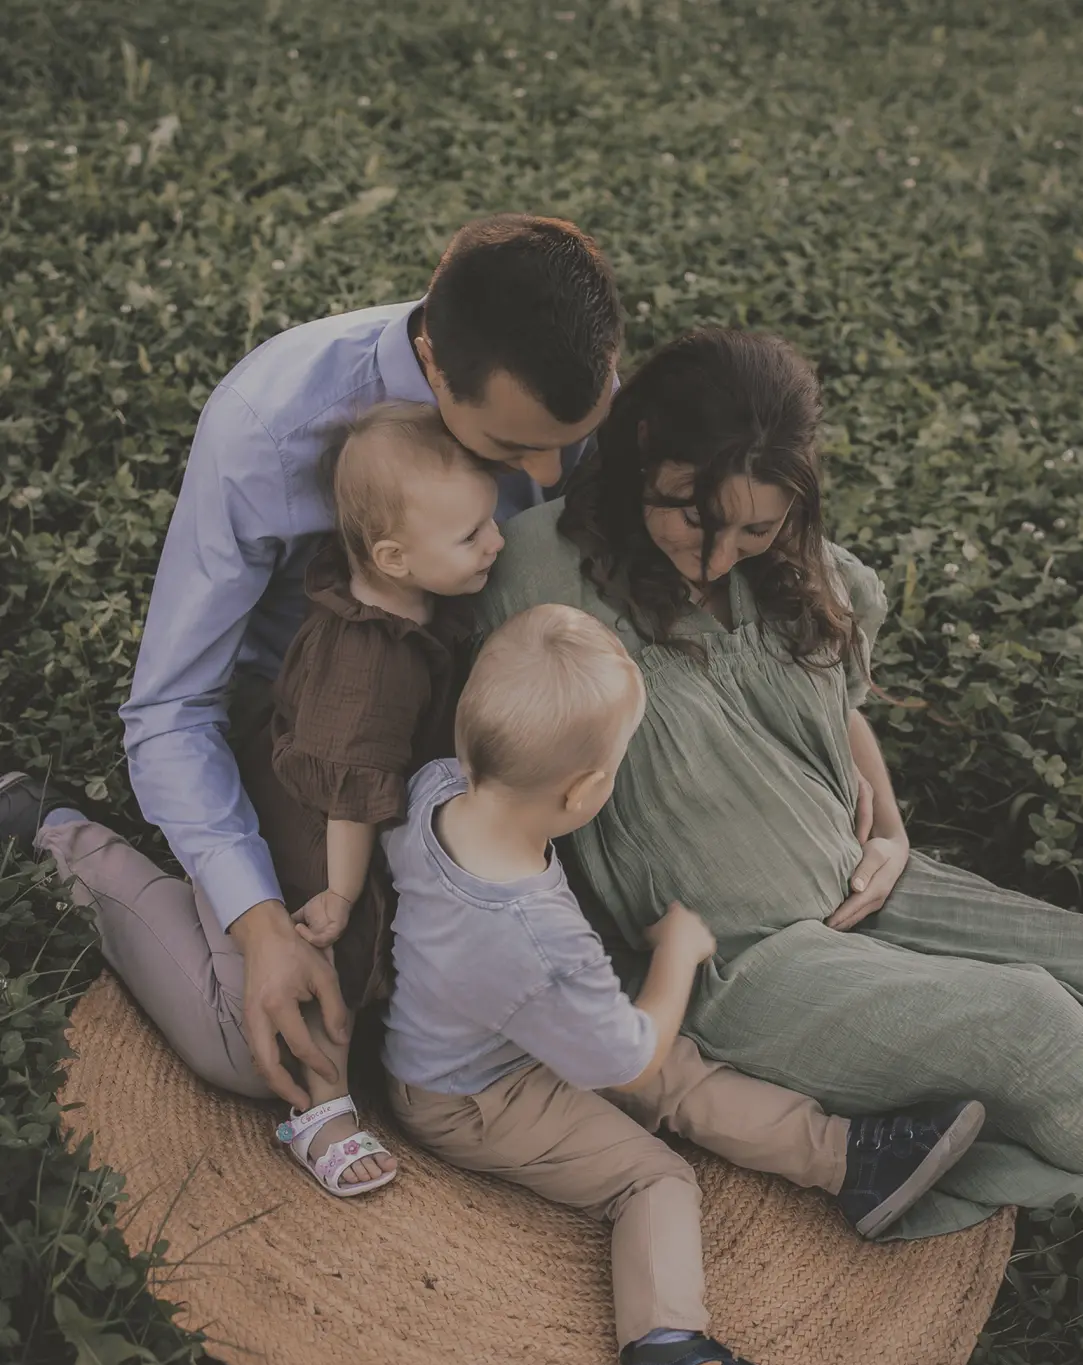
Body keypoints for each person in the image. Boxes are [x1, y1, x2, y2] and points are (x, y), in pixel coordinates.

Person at [0, 214, 621, 1114]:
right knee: (268, 1043)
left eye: (576, 434)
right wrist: (261, 930)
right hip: (313, 724)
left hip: (480, 705)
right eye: (513, 451)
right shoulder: (267, 429)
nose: (554, 470)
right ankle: (63, 835)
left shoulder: (567, 385)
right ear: (436, 369)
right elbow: (174, 709)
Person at [472, 327, 1083, 1241]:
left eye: (754, 527)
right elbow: (487, 768)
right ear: (644, 451)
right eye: (691, 516)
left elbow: (836, 702)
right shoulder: (540, 572)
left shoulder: (789, 563)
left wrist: (892, 828)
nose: (718, 554)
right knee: (1030, 1022)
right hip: (740, 959)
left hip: (863, 880)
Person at [383, 604, 984, 1365]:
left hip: (492, 1033)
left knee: (684, 1073)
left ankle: (850, 1162)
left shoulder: (437, 788)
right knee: (654, 1176)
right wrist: (676, 954)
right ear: (586, 792)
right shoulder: (539, 939)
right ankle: (667, 1354)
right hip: (473, 1094)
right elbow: (624, 1060)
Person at [258, 400, 504, 1194]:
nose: (496, 543)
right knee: (344, 940)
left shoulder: (400, 595)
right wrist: (337, 888)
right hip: (323, 823)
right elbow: (351, 796)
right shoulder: (372, 665)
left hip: (361, 794)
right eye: (472, 537)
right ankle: (321, 1106)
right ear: (395, 557)